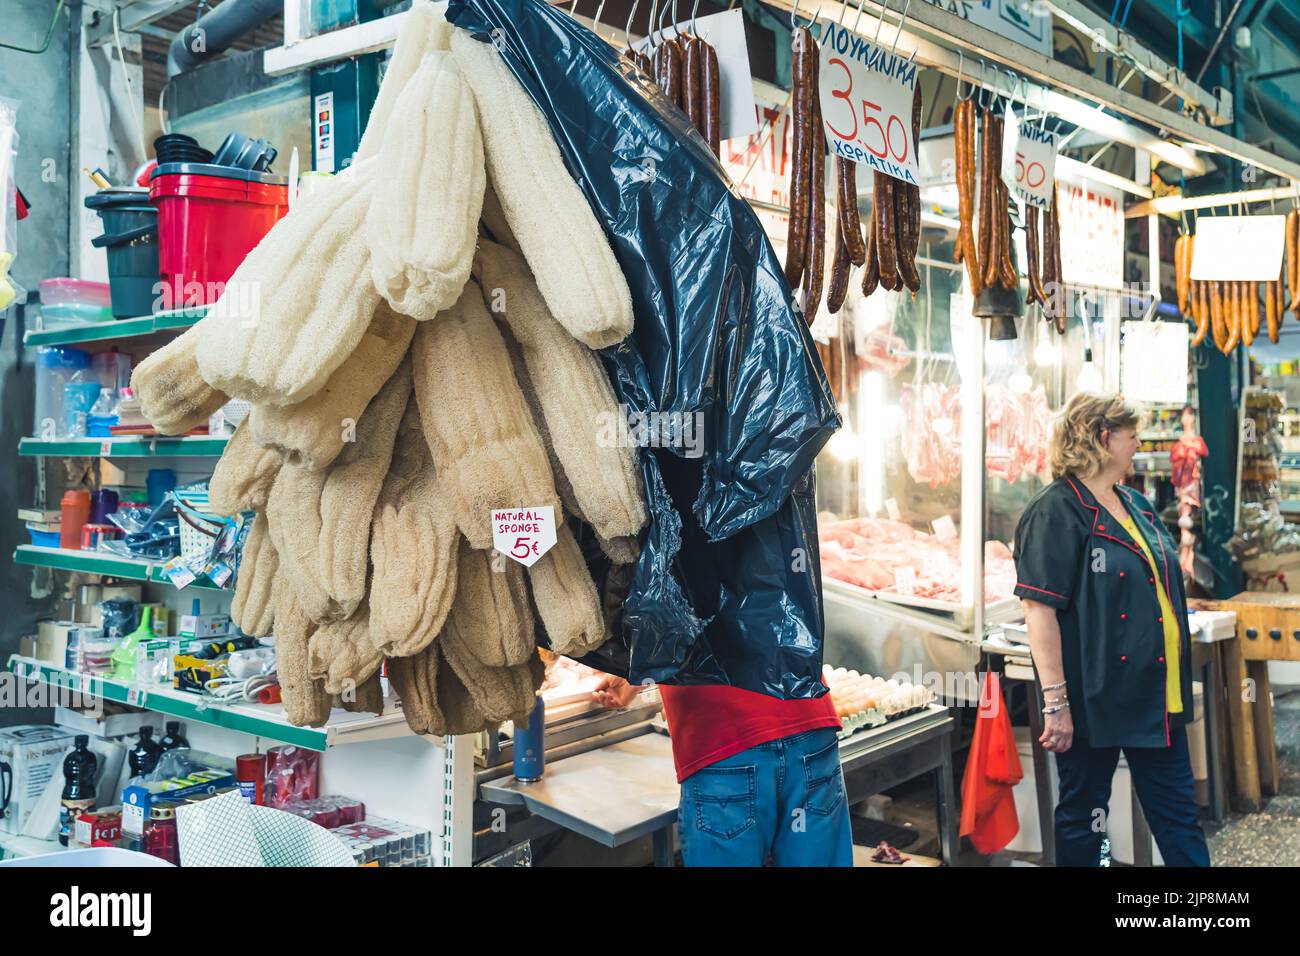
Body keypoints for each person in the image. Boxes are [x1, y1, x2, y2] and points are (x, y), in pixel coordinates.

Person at [1012, 392, 1209, 866]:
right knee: (1084, 815)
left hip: (1156, 697)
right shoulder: (1056, 509)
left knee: (1179, 816)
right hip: (1092, 701)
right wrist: (1056, 703)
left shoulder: (1135, 503)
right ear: (1103, 438)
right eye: (1131, 434)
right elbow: (1040, 611)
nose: (1139, 442)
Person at [594, 674, 852, 866]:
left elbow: (667, 623)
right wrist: (635, 676)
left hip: (727, 745)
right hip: (809, 729)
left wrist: (635, 669)